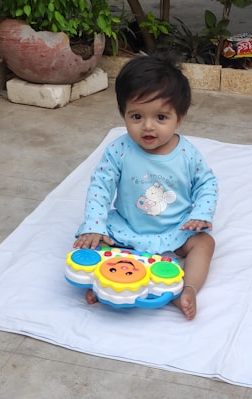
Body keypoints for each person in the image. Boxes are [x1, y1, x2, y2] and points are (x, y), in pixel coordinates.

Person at [73, 53, 218, 320]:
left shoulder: (187, 154)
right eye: (136, 116)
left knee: (205, 243)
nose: (148, 127)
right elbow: (100, 187)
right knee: (87, 242)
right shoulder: (119, 150)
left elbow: (207, 183)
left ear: (180, 116)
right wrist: (95, 224)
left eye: (161, 117)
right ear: (123, 113)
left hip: (175, 232)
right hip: (127, 229)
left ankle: (187, 290)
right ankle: (104, 284)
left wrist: (201, 215)